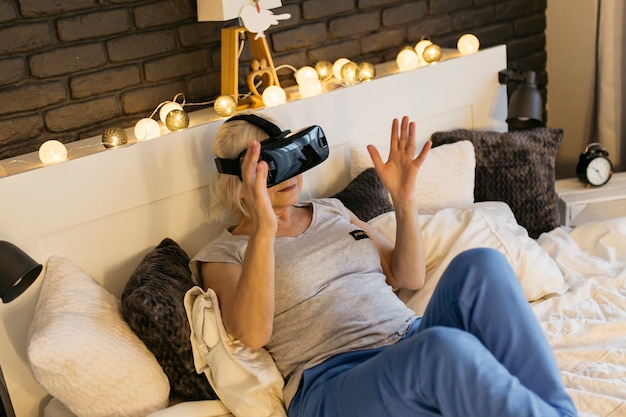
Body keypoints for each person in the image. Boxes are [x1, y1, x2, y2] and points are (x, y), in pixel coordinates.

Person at [191, 114, 577, 417]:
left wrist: (403, 198)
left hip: (408, 340)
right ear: (237, 179)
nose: (287, 172)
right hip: (332, 382)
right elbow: (253, 334)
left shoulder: (331, 210)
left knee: (482, 263)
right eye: (267, 165)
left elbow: (408, 276)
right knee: (443, 348)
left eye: (288, 153)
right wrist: (263, 231)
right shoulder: (224, 253)